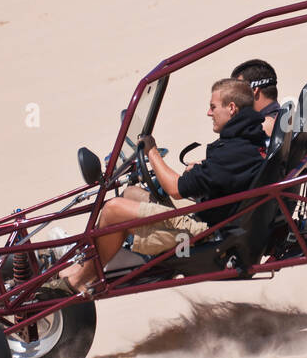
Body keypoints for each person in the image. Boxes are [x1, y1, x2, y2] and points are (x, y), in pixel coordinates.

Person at [58, 78, 267, 294]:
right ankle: (101, 261)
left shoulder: (233, 152)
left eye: (213, 107)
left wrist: (151, 150)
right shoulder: (246, 142)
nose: (208, 113)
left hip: (204, 237)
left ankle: (81, 280)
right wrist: (204, 169)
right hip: (214, 221)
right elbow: (228, 175)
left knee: (113, 210)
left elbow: (175, 189)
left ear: (231, 108)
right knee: (131, 193)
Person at [231, 58, 284, 136]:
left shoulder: (260, 128)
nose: (233, 98)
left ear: (254, 90)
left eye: (237, 91)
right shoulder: (285, 119)